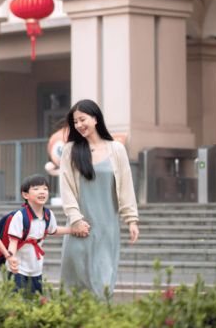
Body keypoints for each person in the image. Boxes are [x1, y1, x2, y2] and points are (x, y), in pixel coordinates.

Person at [59, 99, 140, 297]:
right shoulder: (70, 150)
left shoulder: (117, 149)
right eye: (75, 122)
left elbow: (126, 187)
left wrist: (131, 220)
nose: (79, 125)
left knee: (102, 283)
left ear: (95, 119)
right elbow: (66, 189)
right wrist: (75, 220)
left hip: (107, 228)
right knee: (75, 285)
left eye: (82, 119)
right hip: (80, 227)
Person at [6, 174, 75, 294]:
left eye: (45, 189)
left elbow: (53, 230)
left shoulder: (48, 214)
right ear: (25, 195)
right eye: (36, 189)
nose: (42, 191)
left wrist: (73, 230)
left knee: (36, 300)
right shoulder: (20, 216)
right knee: (17, 301)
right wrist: (11, 258)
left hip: (36, 269)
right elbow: (13, 242)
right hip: (18, 269)